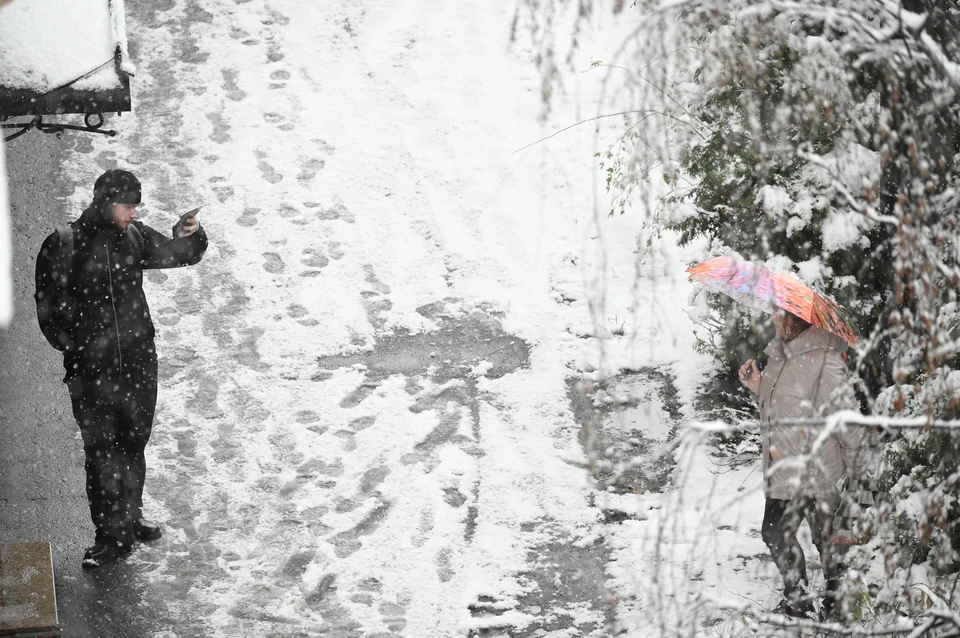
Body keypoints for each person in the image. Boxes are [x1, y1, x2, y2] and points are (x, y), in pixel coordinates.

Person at [34, 169, 208, 568]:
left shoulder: (134, 237)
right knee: (102, 451)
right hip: (92, 371)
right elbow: (47, 308)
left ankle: (129, 518)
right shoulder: (64, 244)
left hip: (138, 363)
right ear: (105, 203)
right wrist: (76, 350)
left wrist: (190, 234)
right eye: (128, 206)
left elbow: (177, 255)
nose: (134, 213)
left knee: (133, 442)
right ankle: (110, 536)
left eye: (136, 207)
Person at [738, 309, 868, 619]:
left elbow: (850, 427)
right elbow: (780, 406)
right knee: (773, 534)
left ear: (795, 320)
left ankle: (838, 604)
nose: (771, 318)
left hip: (816, 474)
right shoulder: (779, 355)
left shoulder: (826, 363)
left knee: (828, 542)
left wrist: (859, 481)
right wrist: (757, 386)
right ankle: (797, 599)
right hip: (783, 471)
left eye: (777, 314)